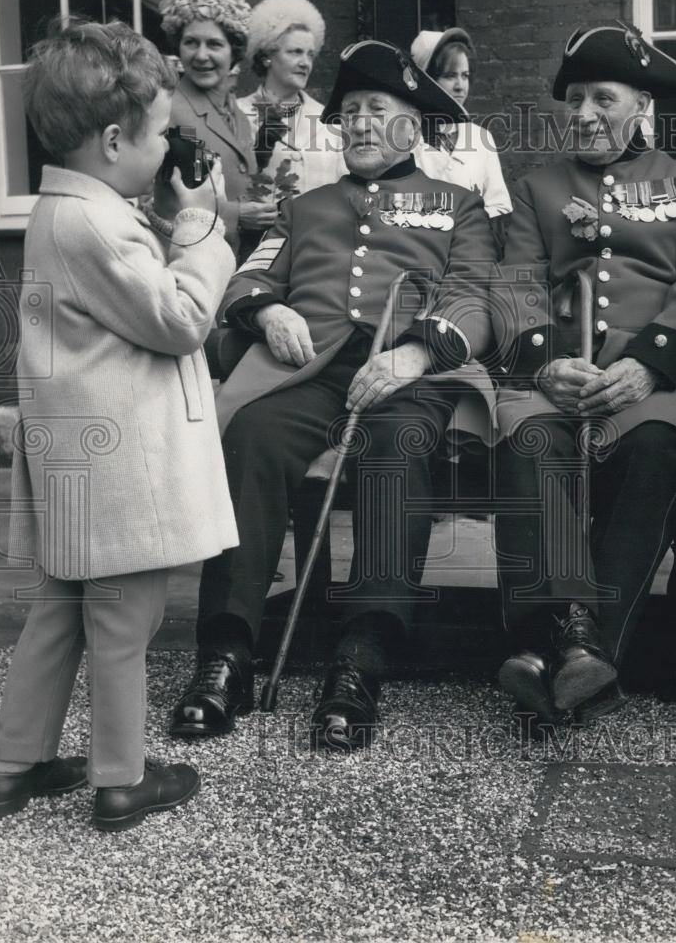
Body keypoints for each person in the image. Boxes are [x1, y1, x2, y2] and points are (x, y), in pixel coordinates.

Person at [170, 40, 498, 750]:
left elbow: (476, 299)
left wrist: (417, 350)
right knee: (252, 435)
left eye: (378, 110)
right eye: (349, 112)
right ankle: (226, 653)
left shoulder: (459, 206)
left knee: (394, 449)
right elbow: (248, 278)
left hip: (412, 375)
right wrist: (265, 311)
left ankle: (361, 659)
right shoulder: (305, 207)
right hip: (308, 369)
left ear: (414, 125)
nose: (358, 124)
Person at [0, 21, 237, 830]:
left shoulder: (69, 211)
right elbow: (179, 317)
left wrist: (161, 218)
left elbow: (126, 294)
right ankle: (122, 779)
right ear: (117, 137)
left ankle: (10, 768)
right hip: (124, 470)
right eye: (162, 134)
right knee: (126, 620)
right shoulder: (97, 225)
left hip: (79, 462)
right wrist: (198, 225)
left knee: (59, 612)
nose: (169, 150)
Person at [489, 24, 676, 725]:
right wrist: (544, 362)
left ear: (641, 108)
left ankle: (559, 651)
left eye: (604, 97)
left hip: (654, 378)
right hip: (558, 375)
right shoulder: (540, 187)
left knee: (654, 454)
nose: (586, 113)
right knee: (532, 446)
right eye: (575, 100)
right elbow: (514, 284)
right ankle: (579, 650)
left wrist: (646, 364)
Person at [153, 0, 277, 253]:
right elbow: (170, 201)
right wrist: (238, 215)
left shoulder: (240, 116)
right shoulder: (167, 110)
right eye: (191, 43)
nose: (201, 55)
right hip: (190, 257)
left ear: (234, 51)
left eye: (214, 44)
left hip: (236, 260)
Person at [237, 0, 345, 243]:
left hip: (318, 251)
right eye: (296, 52)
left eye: (310, 54)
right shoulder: (236, 114)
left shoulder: (328, 119)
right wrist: (239, 214)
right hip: (255, 252)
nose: (305, 63)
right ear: (267, 56)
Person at [410, 28, 512, 244]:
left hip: (474, 249)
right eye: (449, 76)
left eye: (465, 76)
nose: (460, 86)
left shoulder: (480, 138)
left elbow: (500, 205)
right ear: (427, 79)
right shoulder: (408, 138)